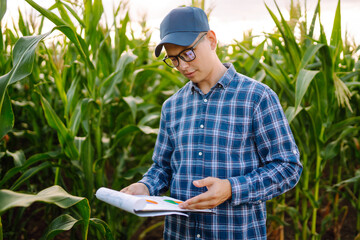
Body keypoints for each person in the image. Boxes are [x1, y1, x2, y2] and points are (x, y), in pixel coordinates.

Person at [121, 6, 302, 239]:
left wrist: (231, 188)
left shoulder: (257, 98)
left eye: (187, 54)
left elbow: (287, 167)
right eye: (173, 59)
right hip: (179, 234)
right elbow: (162, 168)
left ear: (212, 40)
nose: (182, 66)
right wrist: (145, 187)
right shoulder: (172, 106)